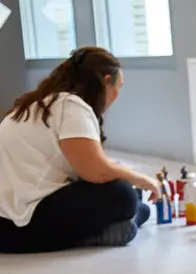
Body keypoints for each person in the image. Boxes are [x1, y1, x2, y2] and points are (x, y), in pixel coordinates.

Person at [0, 46, 161, 254]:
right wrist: (141, 178)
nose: (117, 96)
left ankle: (122, 221)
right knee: (124, 195)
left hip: (5, 224)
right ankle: (107, 232)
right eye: (118, 87)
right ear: (106, 81)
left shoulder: (37, 104)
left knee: (133, 196)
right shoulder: (70, 105)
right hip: (26, 225)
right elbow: (96, 171)